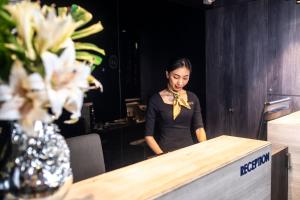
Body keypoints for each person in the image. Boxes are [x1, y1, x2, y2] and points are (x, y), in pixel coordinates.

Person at [144, 57, 207, 155]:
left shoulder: (192, 98)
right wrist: (163, 156)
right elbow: (148, 136)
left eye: (185, 78)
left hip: (189, 152)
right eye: (176, 77)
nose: (180, 82)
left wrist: (204, 148)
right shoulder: (155, 100)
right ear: (167, 74)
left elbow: (199, 128)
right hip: (164, 152)